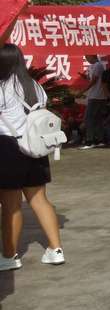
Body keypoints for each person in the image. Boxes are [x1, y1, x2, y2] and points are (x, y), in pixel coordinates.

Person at [0, 44, 65, 271]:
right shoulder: (35, 86)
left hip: (8, 147)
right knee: (39, 199)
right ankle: (56, 249)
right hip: (35, 147)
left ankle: (9, 256)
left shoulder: (2, 88)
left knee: (11, 205)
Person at [80, 54, 107, 149]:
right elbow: (91, 79)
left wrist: (82, 91)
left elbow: (94, 81)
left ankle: (90, 140)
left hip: (96, 96)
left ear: (92, 56)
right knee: (97, 119)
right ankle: (100, 140)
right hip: (95, 95)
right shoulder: (92, 66)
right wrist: (85, 77)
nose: (87, 59)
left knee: (89, 118)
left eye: (87, 57)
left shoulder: (98, 65)